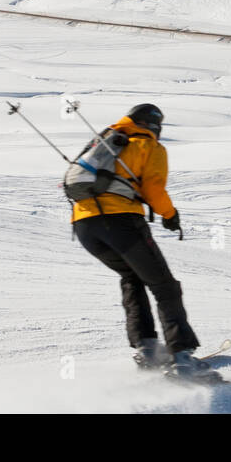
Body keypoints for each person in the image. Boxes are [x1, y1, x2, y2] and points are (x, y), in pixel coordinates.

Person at [70, 103, 208, 377]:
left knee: (132, 277)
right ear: (154, 124)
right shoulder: (147, 145)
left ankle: (147, 351)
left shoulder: (107, 141)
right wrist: (170, 215)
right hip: (120, 222)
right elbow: (154, 188)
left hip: (84, 225)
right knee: (164, 286)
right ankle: (182, 360)